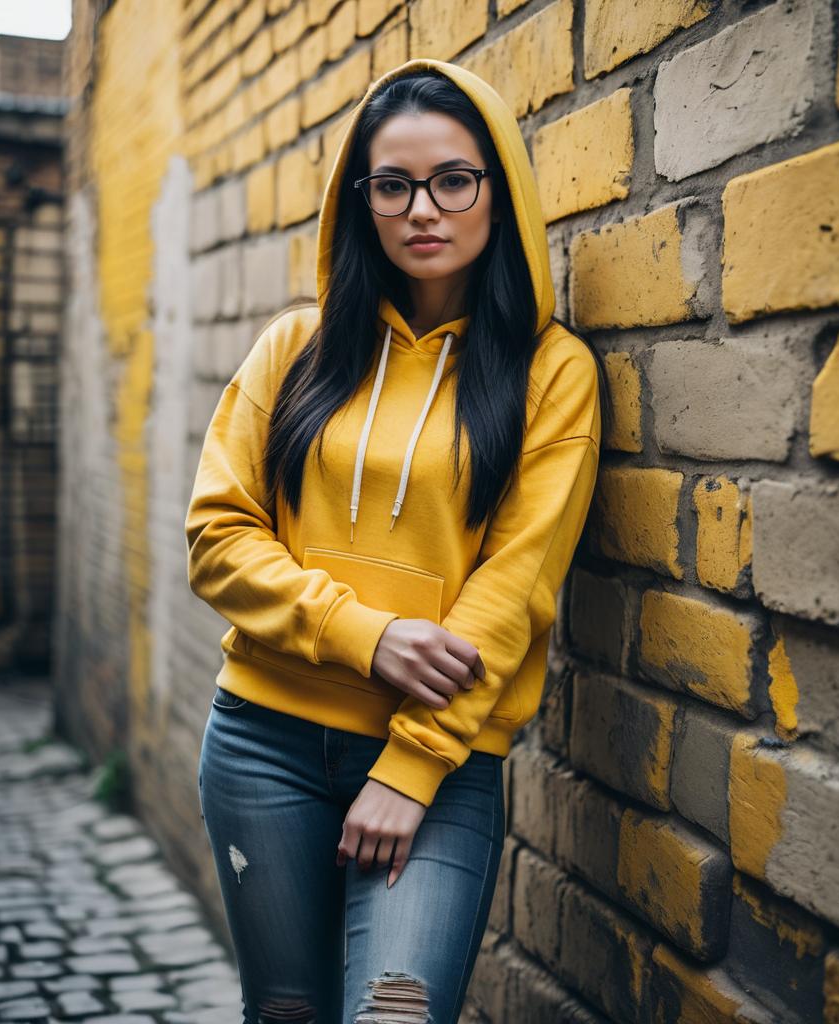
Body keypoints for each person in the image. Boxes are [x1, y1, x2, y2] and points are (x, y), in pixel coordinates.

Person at [186, 56, 611, 1024]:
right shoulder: (293, 350)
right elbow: (217, 538)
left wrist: (411, 765)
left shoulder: (552, 374)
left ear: (497, 192)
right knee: (287, 1011)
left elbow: (515, 591)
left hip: (439, 761)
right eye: (393, 184)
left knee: (394, 1012)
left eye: (453, 179)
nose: (425, 207)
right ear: (361, 201)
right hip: (260, 741)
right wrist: (364, 634)